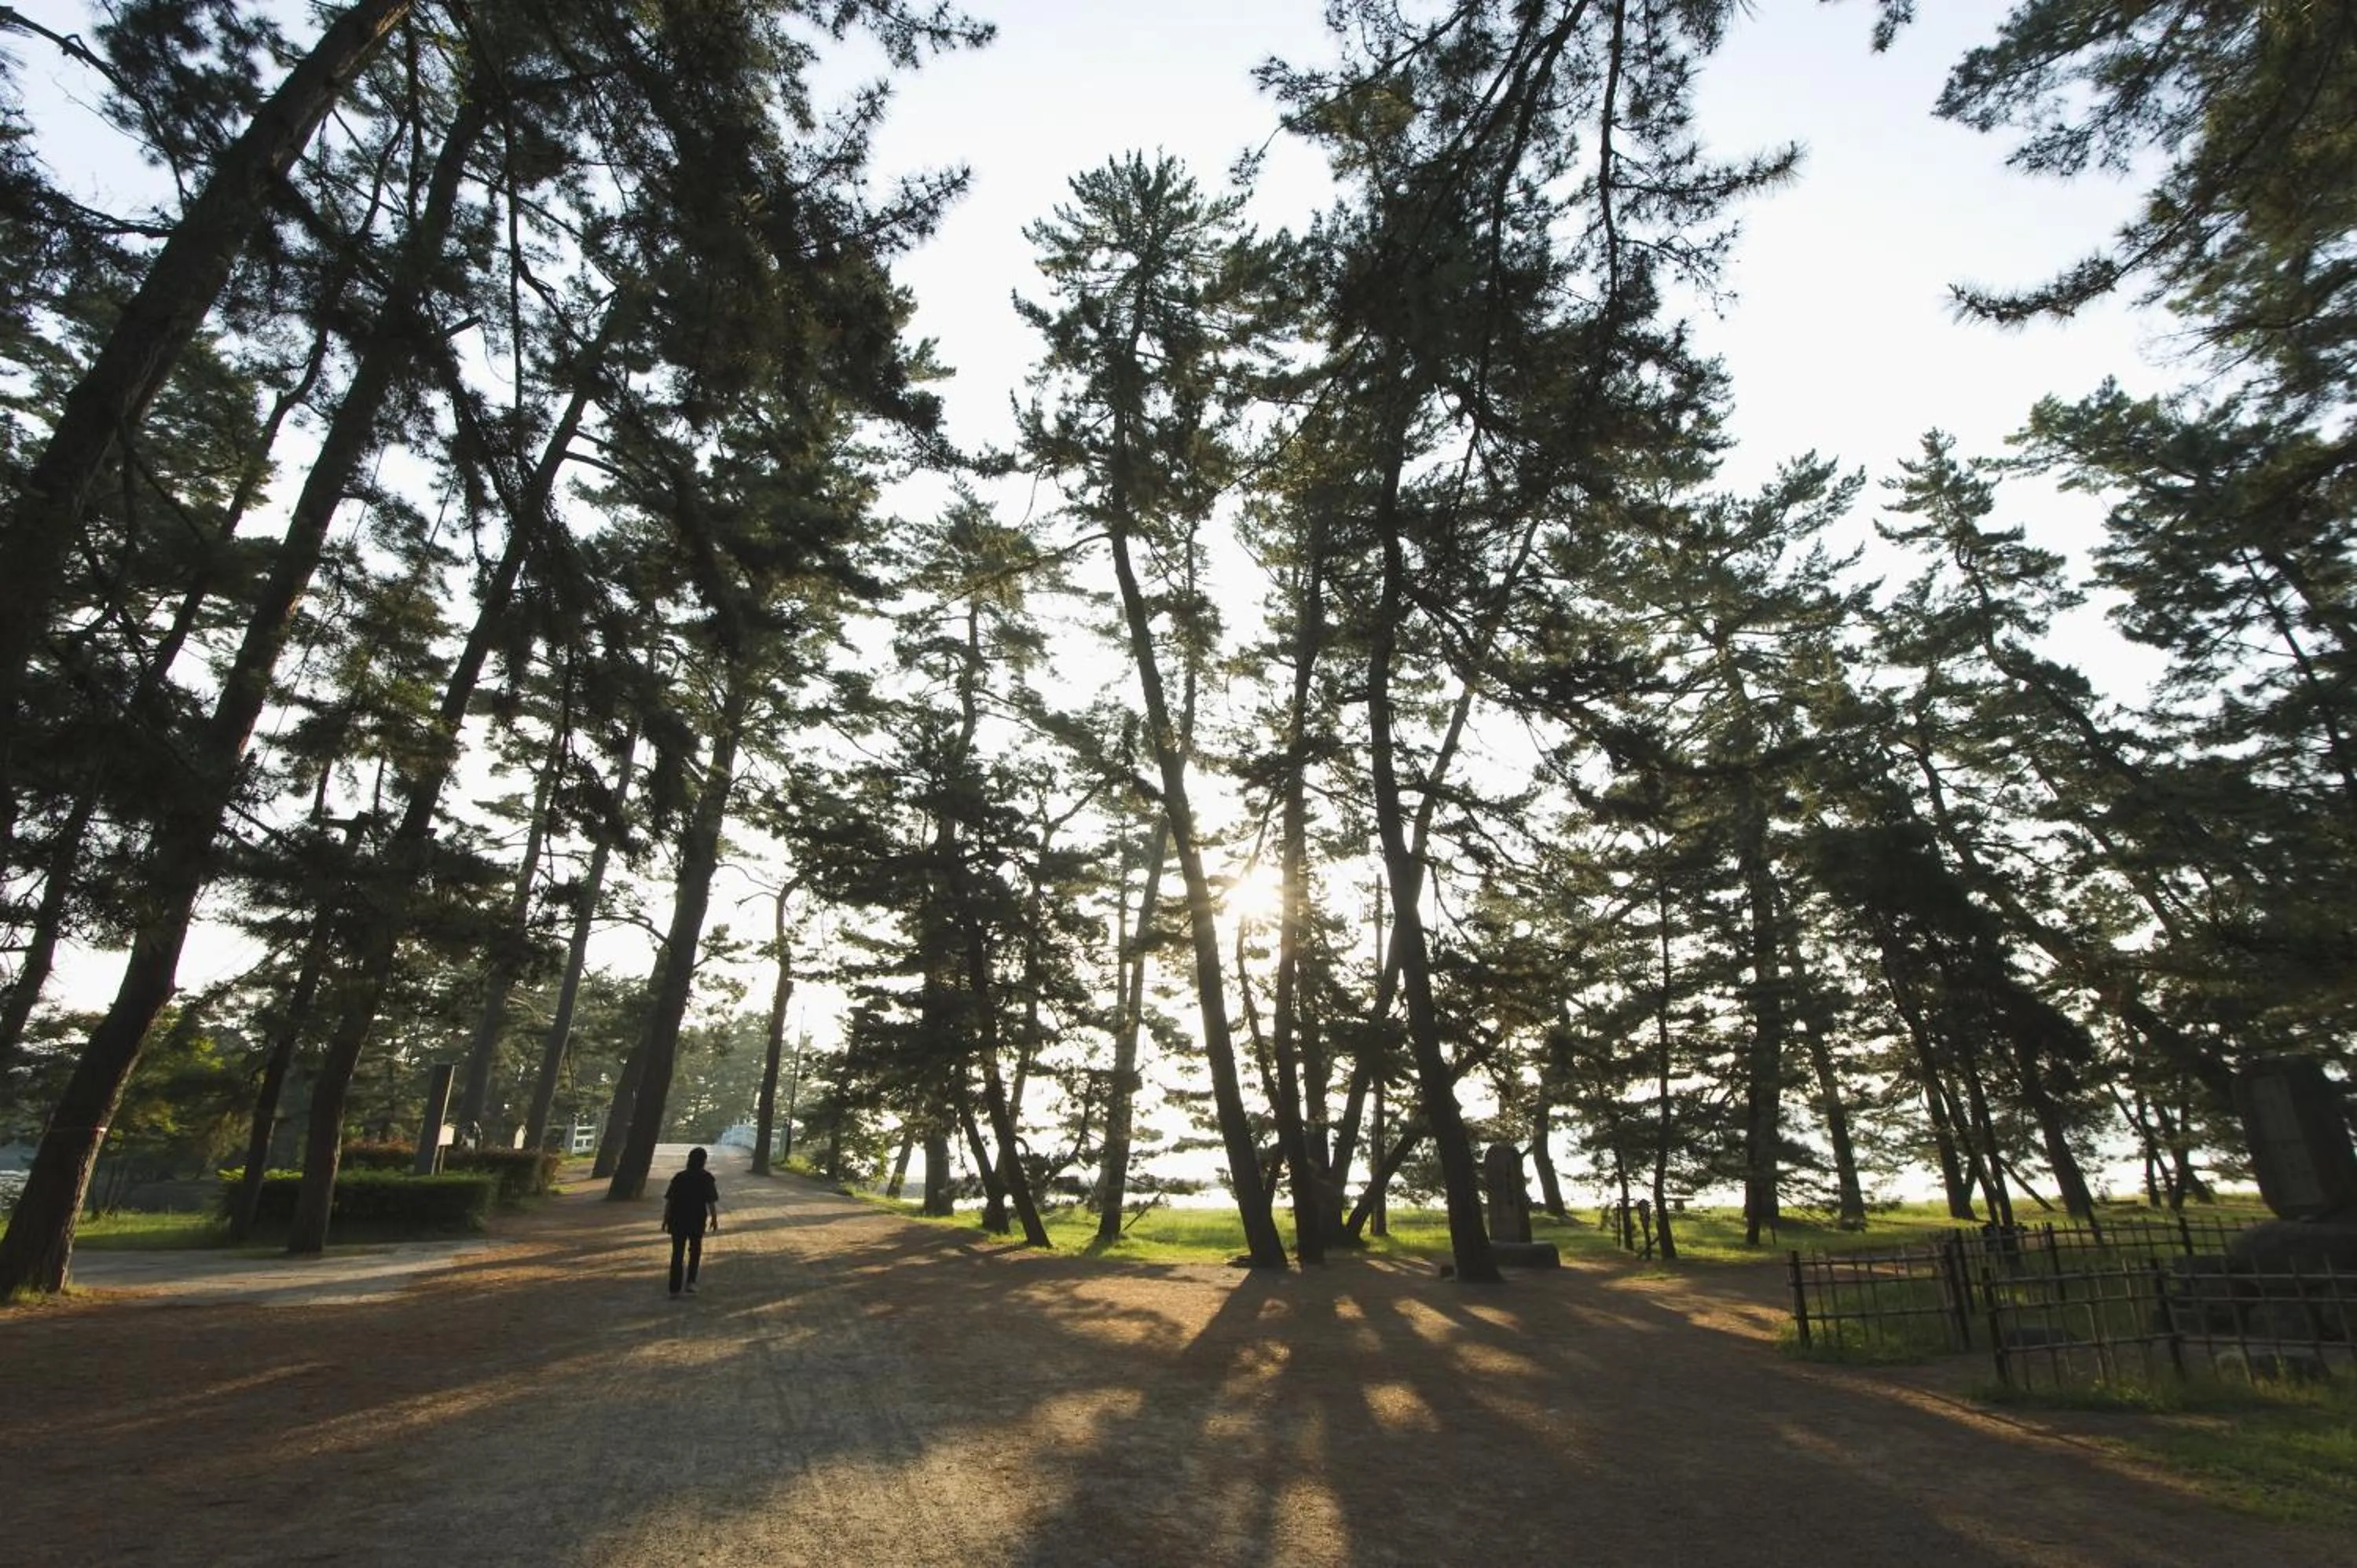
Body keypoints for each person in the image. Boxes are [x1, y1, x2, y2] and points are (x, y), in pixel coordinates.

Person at [662, 1147, 721, 1297]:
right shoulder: (707, 1178)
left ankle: (674, 1288)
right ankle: (691, 1282)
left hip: (677, 1218)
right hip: (697, 1218)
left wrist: (665, 1219)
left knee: (677, 1253)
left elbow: (670, 1200)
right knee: (695, 1251)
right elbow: (711, 1202)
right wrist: (714, 1219)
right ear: (704, 1161)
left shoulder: (679, 1177)